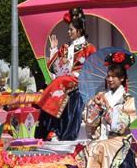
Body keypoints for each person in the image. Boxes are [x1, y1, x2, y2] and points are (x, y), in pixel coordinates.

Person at [76, 52, 137, 168]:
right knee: (91, 147)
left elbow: (120, 126)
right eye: (108, 76)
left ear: (122, 79)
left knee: (102, 147)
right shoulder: (101, 96)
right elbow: (89, 120)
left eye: (114, 77)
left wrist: (107, 108)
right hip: (101, 136)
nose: (110, 79)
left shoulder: (128, 100)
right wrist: (96, 106)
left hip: (118, 139)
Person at [36, 7, 96, 141]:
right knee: (58, 82)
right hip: (65, 78)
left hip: (80, 80)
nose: (68, 32)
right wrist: (53, 49)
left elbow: (94, 69)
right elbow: (53, 67)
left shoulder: (89, 48)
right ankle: (53, 129)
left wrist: (79, 74)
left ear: (79, 31)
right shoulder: (65, 48)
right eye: (68, 29)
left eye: (71, 30)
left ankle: (55, 128)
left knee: (59, 82)